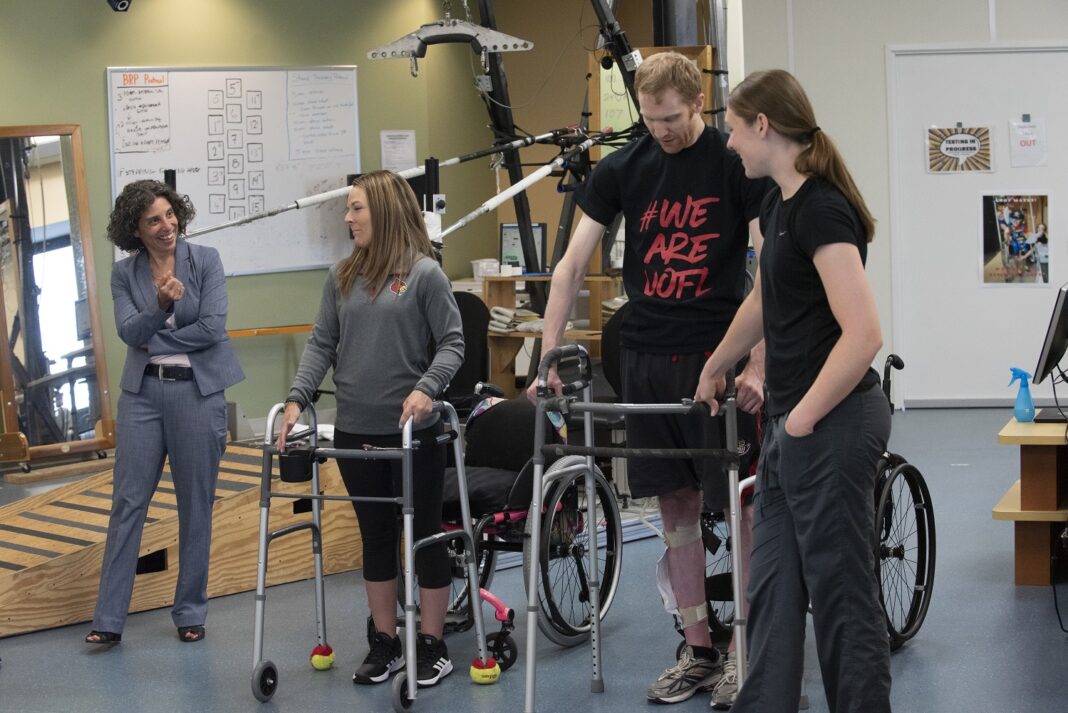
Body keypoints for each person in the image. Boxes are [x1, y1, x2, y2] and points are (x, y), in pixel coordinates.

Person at [526, 51, 768, 706]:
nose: (662, 129)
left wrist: (758, 360)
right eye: (651, 118)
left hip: (715, 349)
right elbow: (573, 263)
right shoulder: (623, 167)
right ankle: (698, 647)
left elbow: (768, 260)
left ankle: (748, 647)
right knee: (674, 507)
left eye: (672, 118)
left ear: (697, 104)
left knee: (738, 503)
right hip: (645, 355)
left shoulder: (731, 160)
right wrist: (548, 352)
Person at [695, 69, 892, 713]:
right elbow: (763, 297)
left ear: (763, 126)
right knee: (772, 596)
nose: (728, 145)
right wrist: (717, 361)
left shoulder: (824, 208)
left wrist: (802, 419)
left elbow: (863, 336)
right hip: (790, 426)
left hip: (831, 422)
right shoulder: (778, 205)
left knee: (842, 599)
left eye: (732, 130)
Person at [275, 170, 464, 688]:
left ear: (382, 210)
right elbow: (320, 345)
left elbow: (452, 343)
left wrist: (427, 388)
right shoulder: (341, 277)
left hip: (411, 433)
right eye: (348, 209)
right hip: (355, 432)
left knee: (424, 537)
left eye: (356, 207)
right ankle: (386, 642)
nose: (348, 217)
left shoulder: (425, 274)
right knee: (376, 536)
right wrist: (297, 398)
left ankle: (431, 644)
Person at [85, 180, 244, 645]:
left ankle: (190, 611)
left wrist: (152, 336)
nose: (166, 225)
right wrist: (160, 305)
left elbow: (213, 328)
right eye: (153, 219)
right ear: (135, 229)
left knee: (196, 505)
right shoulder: (124, 274)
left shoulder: (206, 260)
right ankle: (109, 619)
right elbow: (127, 330)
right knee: (128, 504)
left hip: (198, 392)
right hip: (142, 399)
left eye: (170, 214)